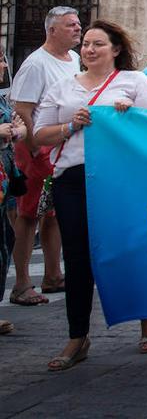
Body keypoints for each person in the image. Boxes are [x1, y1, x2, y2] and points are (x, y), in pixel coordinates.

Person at [31, 20, 147, 371]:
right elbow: (40, 135)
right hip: (71, 179)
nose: (89, 50)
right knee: (77, 258)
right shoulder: (62, 87)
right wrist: (70, 125)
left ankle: (146, 317)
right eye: (85, 44)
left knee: (127, 250)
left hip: (120, 180)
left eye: (98, 44)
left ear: (116, 49)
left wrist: (128, 119)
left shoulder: (136, 83)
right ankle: (78, 336)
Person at [8, 6, 77, 307]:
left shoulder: (74, 59)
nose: (78, 29)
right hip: (37, 148)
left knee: (54, 212)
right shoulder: (36, 64)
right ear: (52, 30)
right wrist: (36, 144)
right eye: (70, 25)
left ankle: (53, 275)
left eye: (78, 24)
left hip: (60, 146)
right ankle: (22, 283)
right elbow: (22, 107)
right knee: (29, 215)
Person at [1, 47, 26, 336]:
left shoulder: (2, 99)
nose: (3, 65)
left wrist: (15, 131)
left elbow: (18, 128)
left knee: (4, 239)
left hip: (6, 177)